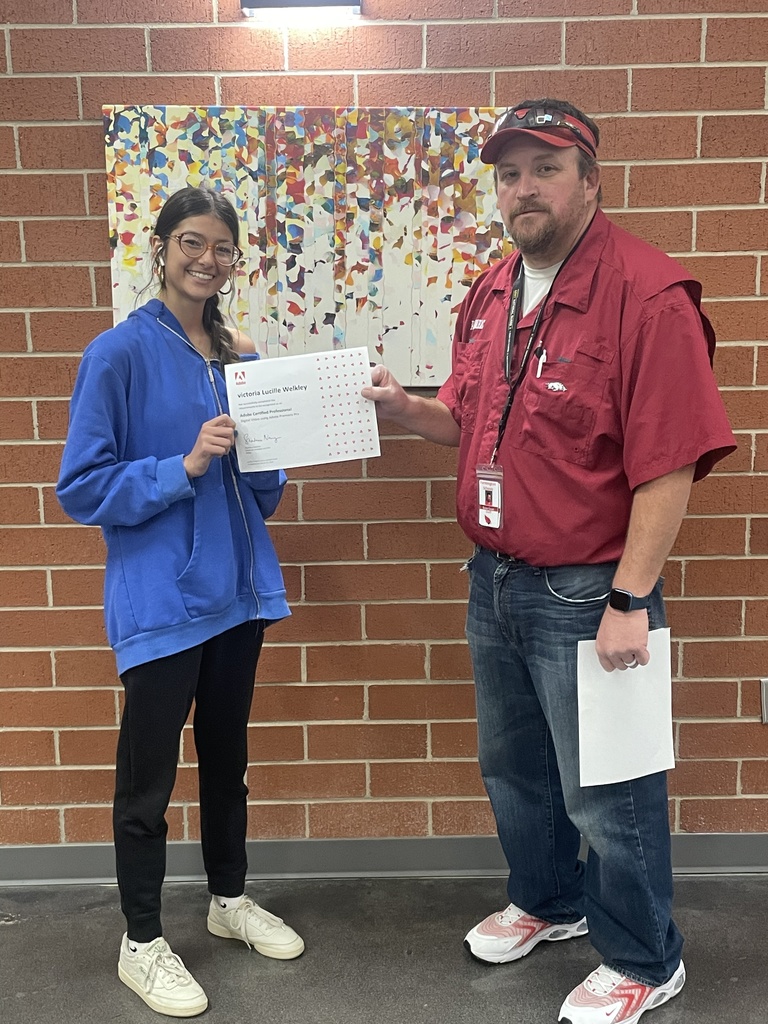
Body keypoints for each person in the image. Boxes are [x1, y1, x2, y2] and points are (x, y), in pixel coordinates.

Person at [362, 100, 736, 1024]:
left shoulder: (646, 297)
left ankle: (648, 959)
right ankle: (550, 900)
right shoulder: (490, 293)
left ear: (590, 179)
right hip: (495, 580)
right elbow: (468, 420)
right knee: (515, 768)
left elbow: (671, 462)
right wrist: (405, 410)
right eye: (510, 173)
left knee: (610, 790)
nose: (524, 189)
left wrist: (628, 599)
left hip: (590, 592)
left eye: (546, 168)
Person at [57, 186, 304, 1018]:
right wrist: (183, 465)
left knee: (226, 766)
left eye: (222, 248)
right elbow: (82, 488)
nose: (207, 259)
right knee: (148, 784)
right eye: (191, 242)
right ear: (160, 248)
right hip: (161, 601)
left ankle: (228, 902)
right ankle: (141, 941)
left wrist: (273, 433)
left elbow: (259, 495)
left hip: (236, 597)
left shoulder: (238, 357)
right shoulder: (117, 355)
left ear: (235, 262)